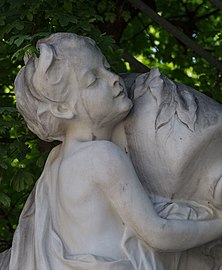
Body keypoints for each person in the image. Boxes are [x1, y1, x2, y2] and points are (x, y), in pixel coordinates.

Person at [2, 33, 222, 270]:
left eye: (106, 67)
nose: (113, 78)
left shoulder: (55, 163)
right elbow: (159, 234)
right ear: (63, 108)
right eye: (94, 79)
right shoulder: (102, 155)